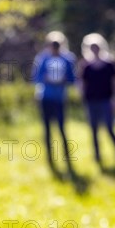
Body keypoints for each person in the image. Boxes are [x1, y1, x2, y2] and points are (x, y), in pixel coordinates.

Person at [79, 33, 115, 168]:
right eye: (92, 47)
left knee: (110, 129)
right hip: (91, 101)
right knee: (93, 130)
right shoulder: (85, 65)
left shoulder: (109, 64)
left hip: (106, 100)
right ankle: (97, 157)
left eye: (96, 47)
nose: (95, 50)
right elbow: (82, 84)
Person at [33, 31, 76, 170]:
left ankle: (67, 156)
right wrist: (45, 79)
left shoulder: (68, 58)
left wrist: (64, 80)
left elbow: (72, 78)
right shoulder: (43, 58)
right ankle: (50, 158)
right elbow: (36, 78)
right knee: (47, 129)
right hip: (45, 97)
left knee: (62, 128)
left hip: (60, 98)